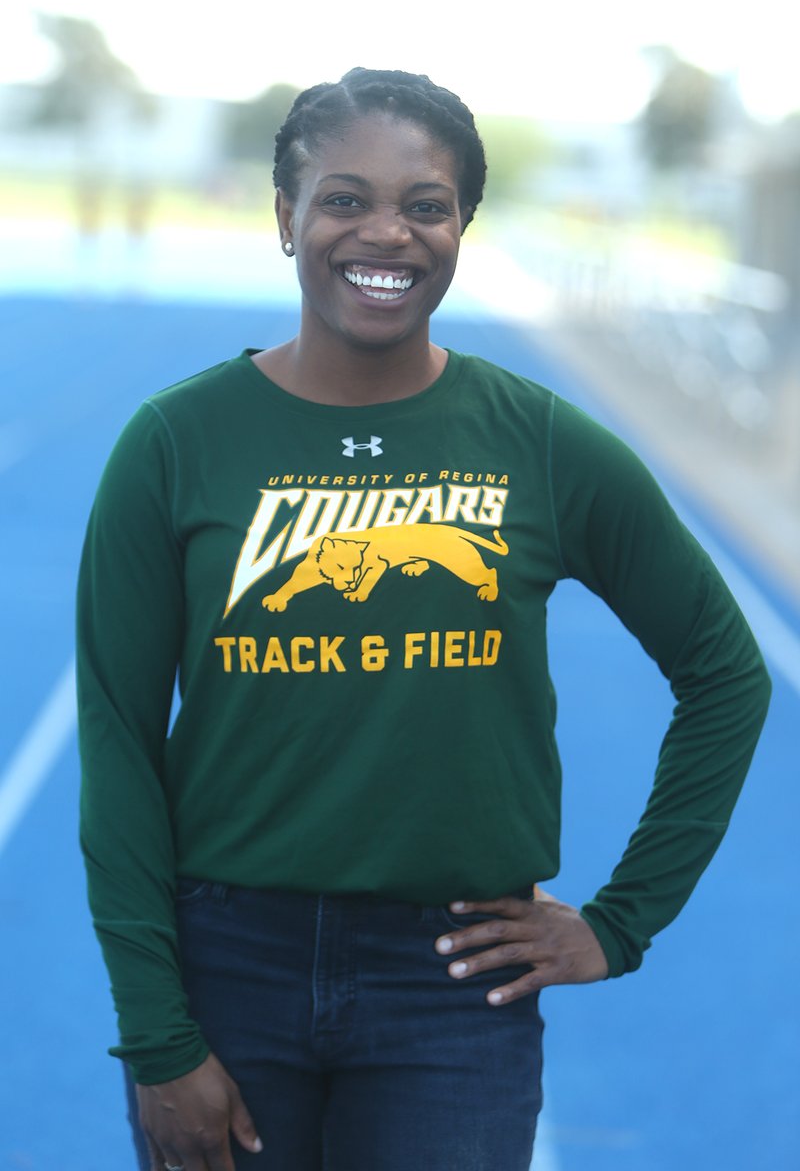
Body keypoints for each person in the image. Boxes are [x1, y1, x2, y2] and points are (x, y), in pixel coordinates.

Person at [76, 68, 771, 1171]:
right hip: (229, 968)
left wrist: (622, 919)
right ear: (284, 219)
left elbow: (726, 674)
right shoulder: (175, 445)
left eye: (426, 205)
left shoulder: (537, 442)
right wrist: (158, 1036)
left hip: (451, 985)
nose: (386, 233)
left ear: (460, 227)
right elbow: (116, 741)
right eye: (344, 198)